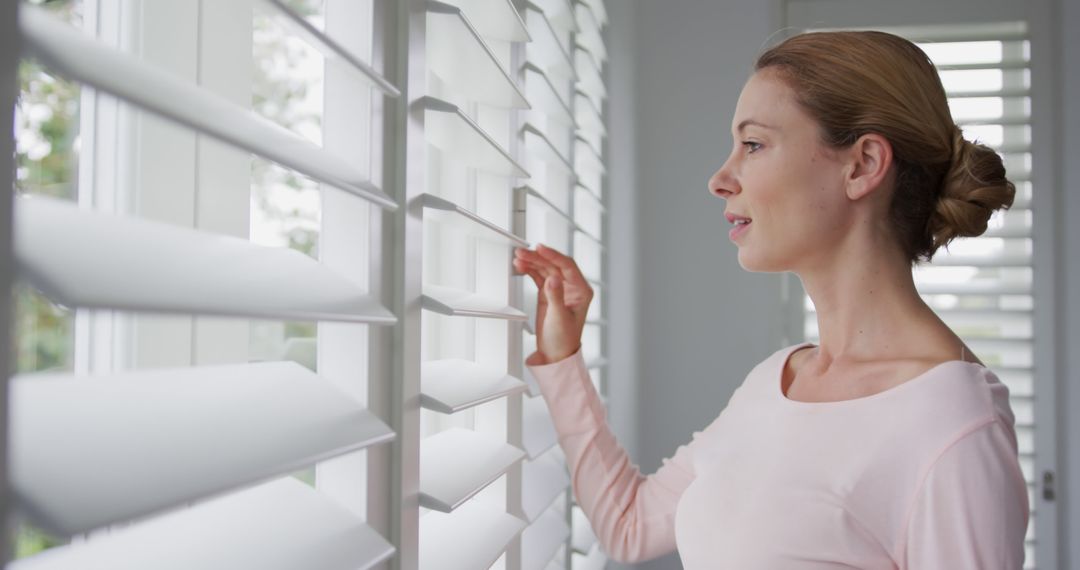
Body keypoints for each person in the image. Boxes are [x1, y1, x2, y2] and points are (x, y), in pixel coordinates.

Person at [512, 30, 1029, 569]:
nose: (719, 179)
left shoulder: (953, 424)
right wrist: (563, 357)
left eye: (753, 144)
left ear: (862, 165)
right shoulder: (778, 381)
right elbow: (630, 526)